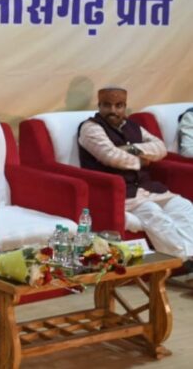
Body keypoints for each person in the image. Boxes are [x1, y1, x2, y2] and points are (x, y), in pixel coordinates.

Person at [78, 87, 193, 264]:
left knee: (184, 207)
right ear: (99, 106)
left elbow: (160, 148)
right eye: (107, 105)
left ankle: (191, 257)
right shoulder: (90, 128)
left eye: (119, 105)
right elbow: (112, 157)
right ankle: (182, 261)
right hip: (123, 193)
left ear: (125, 107)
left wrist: (131, 148)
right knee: (154, 214)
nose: (113, 110)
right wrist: (142, 161)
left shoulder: (132, 126)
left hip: (150, 189)